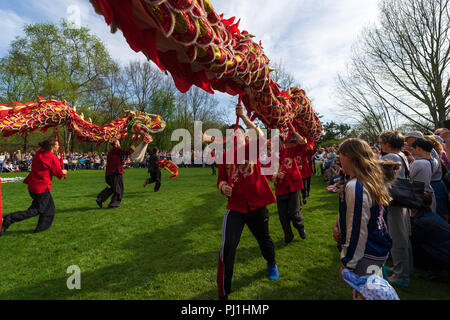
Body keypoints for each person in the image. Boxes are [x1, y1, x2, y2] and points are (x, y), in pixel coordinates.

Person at [216, 104, 278, 300]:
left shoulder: (252, 148)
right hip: (235, 207)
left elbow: (260, 134)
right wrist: (223, 187)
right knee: (228, 247)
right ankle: (223, 292)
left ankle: (271, 263)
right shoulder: (224, 157)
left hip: (257, 204)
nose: (235, 138)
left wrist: (243, 117)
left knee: (264, 241)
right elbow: (220, 180)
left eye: (239, 135)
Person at [332, 138, 392, 278]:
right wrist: (338, 224)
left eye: (340, 155)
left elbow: (358, 229)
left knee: (366, 294)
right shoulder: (369, 179)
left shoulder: (356, 186)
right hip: (375, 247)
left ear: (349, 157)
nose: (339, 159)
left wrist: (349, 263)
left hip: (366, 252)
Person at [0, 137, 67, 235]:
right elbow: (59, 174)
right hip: (41, 187)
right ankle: (8, 219)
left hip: (33, 185)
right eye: (57, 145)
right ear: (52, 147)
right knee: (36, 210)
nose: (58, 146)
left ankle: (42, 229)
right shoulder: (52, 157)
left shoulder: (39, 153)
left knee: (50, 208)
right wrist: (63, 171)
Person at [377, 130, 414, 287]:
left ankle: (401, 275)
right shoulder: (402, 155)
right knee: (404, 236)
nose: (380, 145)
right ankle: (404, 269)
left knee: (398, 238)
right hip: (403, 200)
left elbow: (383, 180)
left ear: (388, 144)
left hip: (395, 201)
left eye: (381, 143)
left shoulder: (390, 157)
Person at [271, 128, 308, 244]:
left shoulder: (290, 151)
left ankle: (300, 227)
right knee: (283, 217)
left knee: (294, 213)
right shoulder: (271, 157)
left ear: (283, 143)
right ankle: (288, 236)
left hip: (293, 187)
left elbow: (303, 145)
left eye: (279, 142)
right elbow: (267, 171)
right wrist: (276, 175)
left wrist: (295, 132)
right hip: (280, 189)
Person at [410, 192, 450, 282]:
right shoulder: (430, 215)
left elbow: (414, 240)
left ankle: (435, 272)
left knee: (413, 244)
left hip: (444, 254)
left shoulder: (423, 221)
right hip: (445, 250)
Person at [96, 139, 135, 209]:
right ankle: (113, 204)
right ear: (116, 143)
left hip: (111, 173)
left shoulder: (113, 151)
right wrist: (133, 146)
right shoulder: (116, 149)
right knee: (119, 190)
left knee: (115, 188)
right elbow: (128, 152)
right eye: (118, 142)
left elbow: (116, 162)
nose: (119, 143)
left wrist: (123, 162)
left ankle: (100, 198)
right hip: (115, 173)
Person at [410, 138, 439, 212]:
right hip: (430, 194)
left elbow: (408, 177)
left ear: (418, 148)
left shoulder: (418, 163)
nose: (413, 151)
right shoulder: (435, 161)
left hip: (419, 195)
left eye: (414, 149)